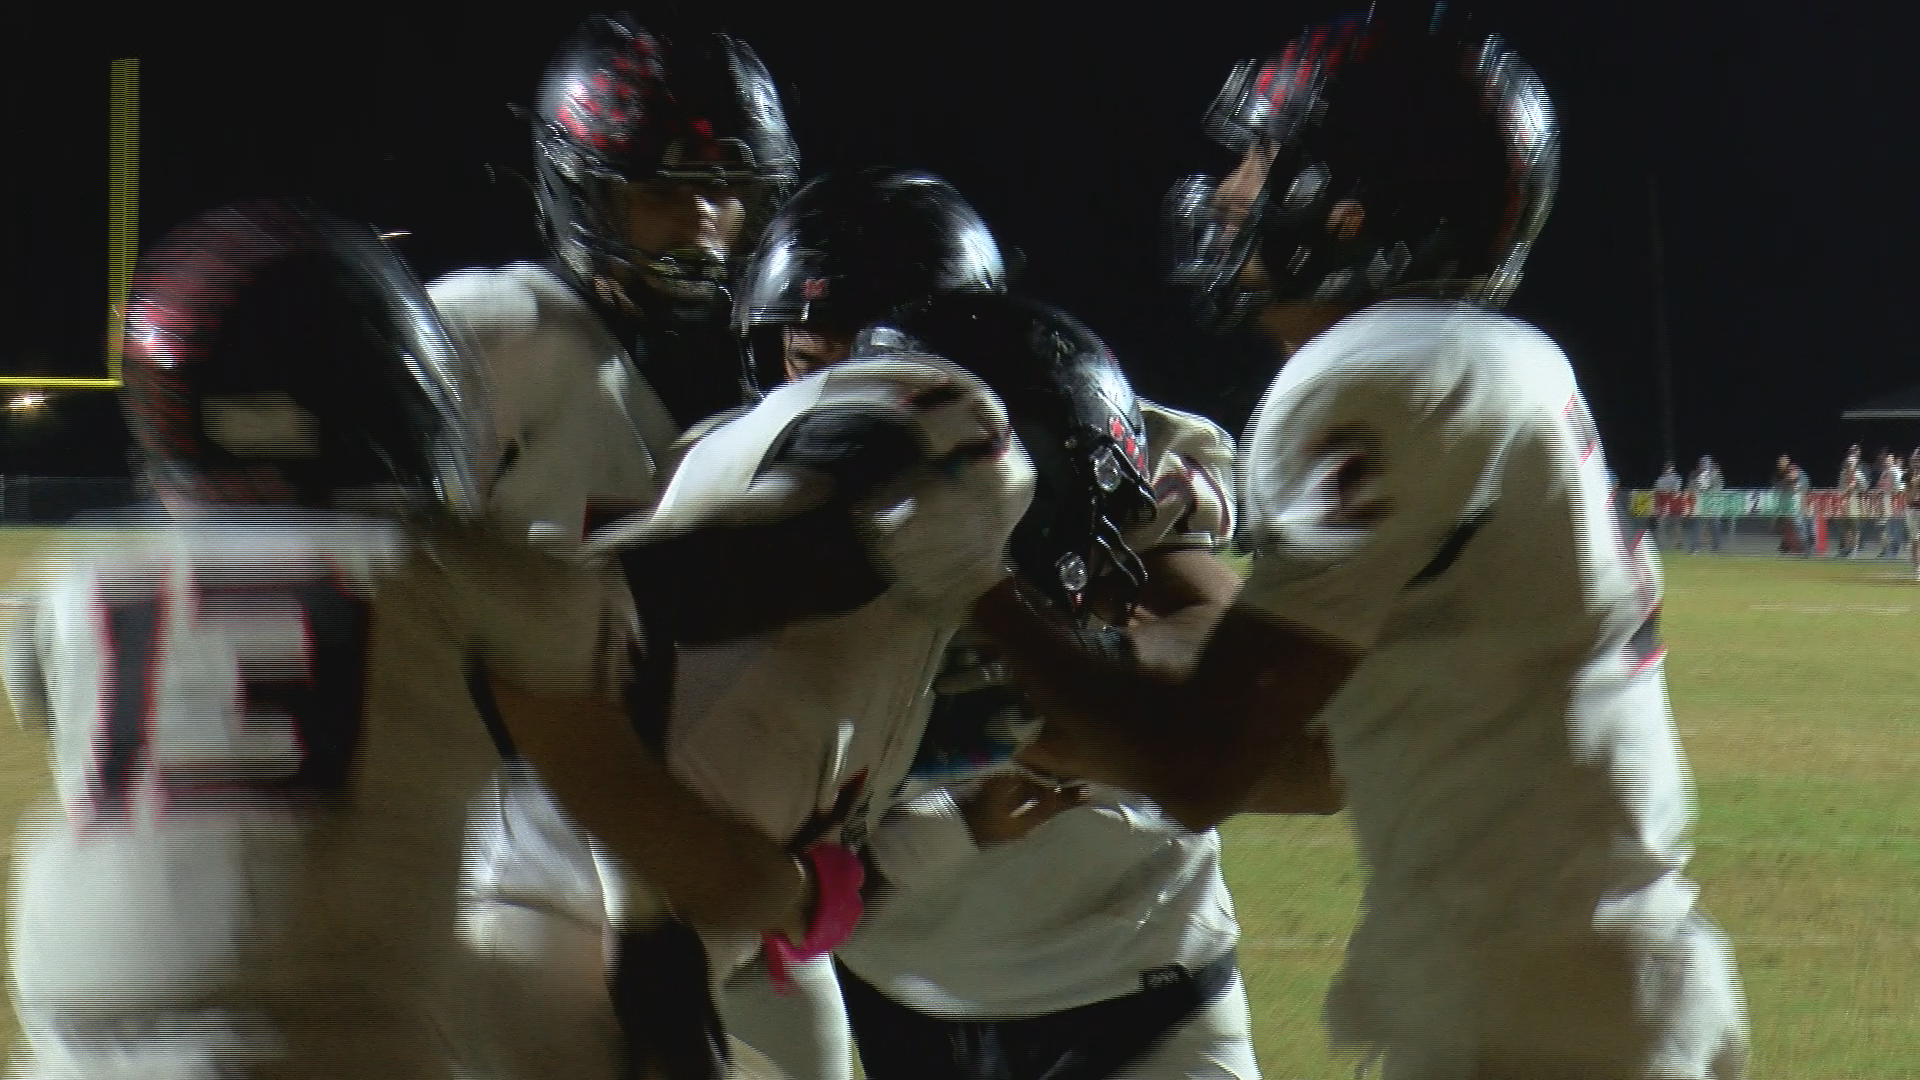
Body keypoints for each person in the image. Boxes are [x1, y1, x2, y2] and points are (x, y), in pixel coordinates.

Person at [977, 12, 1748, 1078]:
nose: (1232, 187)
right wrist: (1100, 743)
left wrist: (968, 578)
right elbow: (1330, 755)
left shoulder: (1372, 377)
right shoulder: (1490, 358)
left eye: (1259, 156)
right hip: (1592, 993)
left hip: (1533, 1025)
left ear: (1346, 211)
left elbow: (1204, 758)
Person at [0, 203, 642, 1080]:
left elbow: (32, 673)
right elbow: (602, 690)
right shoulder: (448, 571)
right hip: (330, 1033)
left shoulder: (83, 592)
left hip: (72, 1039)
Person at [425, 14, 805, 1075]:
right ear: (582, 190)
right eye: (663, 189)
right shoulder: (503, 332)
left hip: (719, 843)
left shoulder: (773, 362)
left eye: (729, 188)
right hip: (520, 836)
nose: (704, 221)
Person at [831, 297, 1265, 1080]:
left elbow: (1256, 712)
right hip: (902, 1002)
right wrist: (959, 801)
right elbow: (765, 892)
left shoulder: (1092, 424)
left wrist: (1055, 700)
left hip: (1140, 985)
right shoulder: (771, 544)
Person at [1688, 455, 1726, 553]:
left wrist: (1708, 494)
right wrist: (1698, 494)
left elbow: (1719, 486)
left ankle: (1716, 547)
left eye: (1706, 462)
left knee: (1715, 524)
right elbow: (1692, 486)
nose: (1704, 465)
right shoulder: (1695, 474)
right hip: (1700, 503)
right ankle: (1694, 547)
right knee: (1696, 524)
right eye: (1702, 463)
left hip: (1713, 503)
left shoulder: (1716, 474)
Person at [1836, 446, 1867, 557]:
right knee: (1844, 527)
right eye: (1848, 462)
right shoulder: (1843, 474)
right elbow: (1840, 487)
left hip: (1855, 503)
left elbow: (1864, 488)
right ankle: (1846, 548)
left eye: (1852, 463)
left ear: (1855, 463)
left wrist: (1856, 486)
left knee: (1854, 528)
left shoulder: (1859, 474)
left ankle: (1854, 549)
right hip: (1844, 503)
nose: (1849, 464)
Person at [1875, 450, 1906, 558]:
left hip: (1894, 502)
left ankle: (1893, 551)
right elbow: (1881, 487)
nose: (1886, 461)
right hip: (1885, 502)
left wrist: (1894, 498)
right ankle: (1888, 550)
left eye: (1888, 459)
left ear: (1892, 460)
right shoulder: (1885, 472)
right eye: (1885, 459)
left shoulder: (1895, 471)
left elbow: (1900, 486)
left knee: (1894, 527)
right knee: (1887, 527)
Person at [1654, 461, 1685, 551]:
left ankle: (1678, 544)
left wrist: (1667, 491)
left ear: (1672, 468)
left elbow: (1675, 490)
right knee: (1661, 525)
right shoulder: (1660, 479)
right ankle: (1661, 544)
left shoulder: (1677, 478)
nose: (1668, 469)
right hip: (1663, 506)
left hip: (1675, 506)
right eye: (1667, 468)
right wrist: (1657, 507)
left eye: (1670, 467)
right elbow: (1657, 493)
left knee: (1676, 525)